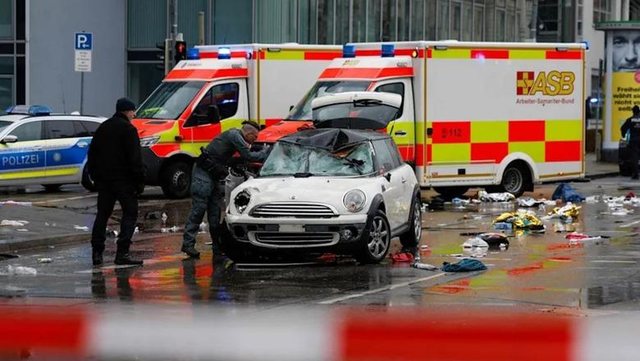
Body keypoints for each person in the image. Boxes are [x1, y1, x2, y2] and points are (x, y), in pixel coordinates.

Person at [181, 121, 267, 259]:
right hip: (203, 174)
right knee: (199, 209)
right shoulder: (235, 136)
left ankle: (217, 249)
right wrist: (266, 153)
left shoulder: (233, 136)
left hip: (212, 175)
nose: (254, 140)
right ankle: (188, 244)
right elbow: (248, 156)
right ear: (249, 133)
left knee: (215, 214)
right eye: (255, 137)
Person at [88, 97, 145, 266]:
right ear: (127, 111)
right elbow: (135, 160)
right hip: (124, 182)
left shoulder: (103, 128)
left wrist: (95, 177)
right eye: (133, 111)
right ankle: (122, 253)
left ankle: (97, 253)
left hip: (105, 182)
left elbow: (92, 155)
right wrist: (139, 182)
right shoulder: (129, 130)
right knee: (130, 214)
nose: (134, 114)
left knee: (102, 215)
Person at [621, 105, 640, 179]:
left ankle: (635, 174)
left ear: (633, 111)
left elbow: (623, 128)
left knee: (634, 157)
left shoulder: (630, 119)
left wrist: (623, 135)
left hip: (634, 141)